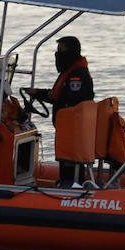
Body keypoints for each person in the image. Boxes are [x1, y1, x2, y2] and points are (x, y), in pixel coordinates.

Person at [29, 36, 95, 186]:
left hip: (72, 127)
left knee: (69, 159)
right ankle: (70, 181)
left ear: (71, 51)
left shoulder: (77, 74)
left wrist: (41, 94)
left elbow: (69, 99)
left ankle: (70, 183)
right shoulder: (71, 71)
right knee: (68, 158)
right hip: (69, 128)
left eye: (61, 50)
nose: (57, 54)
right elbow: (58, 95)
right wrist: (37, 93)